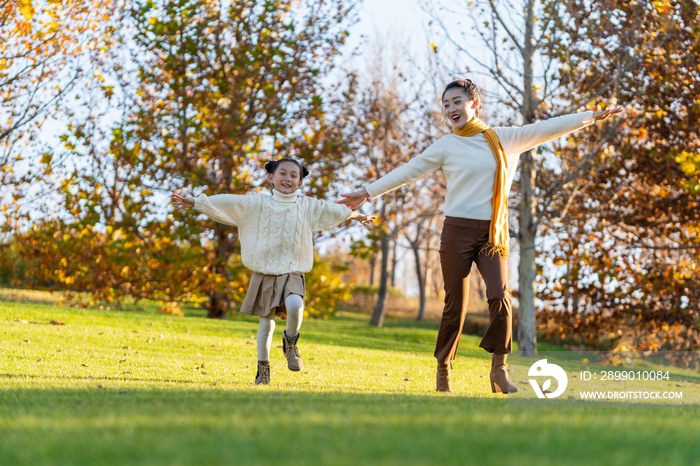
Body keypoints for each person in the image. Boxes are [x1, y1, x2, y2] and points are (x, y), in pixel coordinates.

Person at [338, 79, 622, 393]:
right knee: (454, 305)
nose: (451, 109)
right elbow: (410, 170)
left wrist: (591, 116)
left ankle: (499, 370)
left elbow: (548, 127)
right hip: (456, 232)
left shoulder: (506, 139)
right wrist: (366, 192)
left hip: (492, 234)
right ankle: (443, 369)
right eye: (446, 105)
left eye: (456, 101)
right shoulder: (447, 145)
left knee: (500, 296)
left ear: (474, 103)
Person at [172, 158, 375, 386]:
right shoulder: (257, 204)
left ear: (299, 183)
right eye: (283, 173)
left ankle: (290, 342)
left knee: (296, 305)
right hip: (265, 271)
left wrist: (359, 216)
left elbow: (335, 210)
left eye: (293, 176)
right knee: (266, 324)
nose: (287, 178)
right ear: (271, 177)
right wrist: (196, 202)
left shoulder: (307, 206)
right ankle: (263, 369)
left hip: (293, 271)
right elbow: (229, 202)